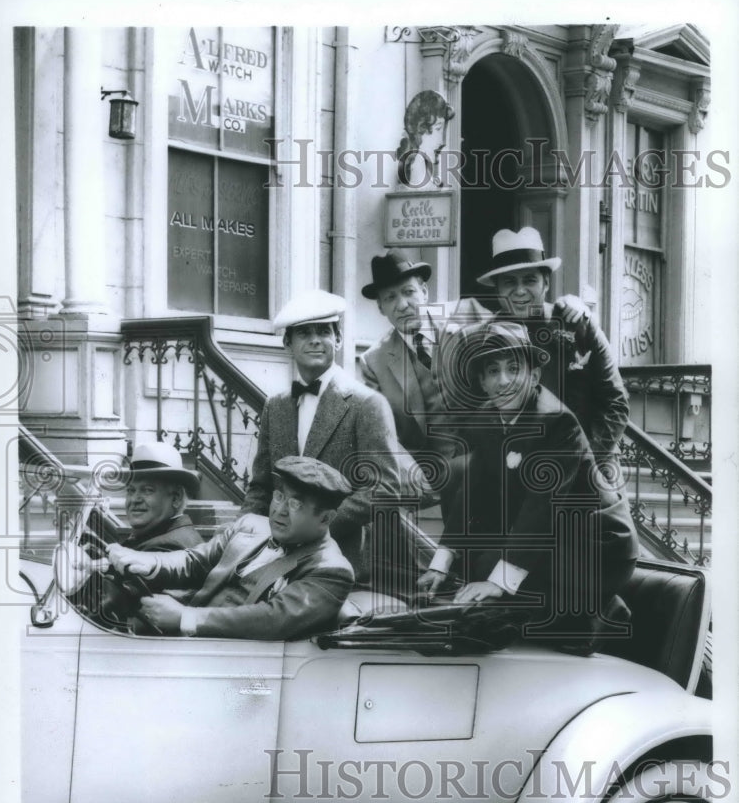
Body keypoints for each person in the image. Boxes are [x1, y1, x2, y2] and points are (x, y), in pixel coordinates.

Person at [419, 320, 639, 650]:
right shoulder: (486, 417)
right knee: (480, 563)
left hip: (598, 546)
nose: (502, 380)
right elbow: (472, 494)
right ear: (482, 380)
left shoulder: (557, 421)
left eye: (513, 369)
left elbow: (542, 507)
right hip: (558, 535)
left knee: (494, 575)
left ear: (534, 376)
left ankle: (601, 614)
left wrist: (500, 582)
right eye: (492, 371)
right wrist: (441, 563)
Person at [239, 290, 401, 580]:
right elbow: (261, 486)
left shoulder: (367, 403)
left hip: (343, 559)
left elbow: (385, 489)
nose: (315, 340)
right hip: (276, 561)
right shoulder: (274, 406)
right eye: (304, 333)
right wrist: (244, 537)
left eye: (324, 331)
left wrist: (315, 529)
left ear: (338, 339)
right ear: (288, 341)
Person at [105, 456, 355, 640]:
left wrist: (185, 617)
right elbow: (195, 561)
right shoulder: (250, 526)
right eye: (278, 497)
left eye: (296, 505)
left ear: (326, 519)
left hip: (239, 671)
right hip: (190, 647)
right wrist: (147, 562)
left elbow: (273, 618)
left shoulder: (330, 569)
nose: (279, 510)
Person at [442, 227, 628, 464]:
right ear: (497, 288)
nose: (520, 291)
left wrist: (588, 460)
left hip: (586, 466)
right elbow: (465, 419)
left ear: (546, 282)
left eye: (530, 280)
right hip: (509, 475)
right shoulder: (477, 341)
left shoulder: (578, 326)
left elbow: (616, 402)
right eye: (509, 282)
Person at [62, 442, 203, 625]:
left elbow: (107, 614)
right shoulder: (154, 536)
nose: (135, 499)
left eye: (147, 490)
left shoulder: (172, 547)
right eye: (131, 490)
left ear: (175, 498)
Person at [360, 249, 457, 474]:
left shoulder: (459, 335)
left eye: (408, 292)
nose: (402, 305)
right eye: (390, 297)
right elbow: (381, 434)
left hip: (477, 472)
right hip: (422, 481)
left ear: (424, 292)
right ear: (381, 307)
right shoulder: (374, 361)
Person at [396, 90, 455, 189]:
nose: (442, 142)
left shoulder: (432, 181)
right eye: (438, 128)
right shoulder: (411, 179)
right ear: (420, 129)